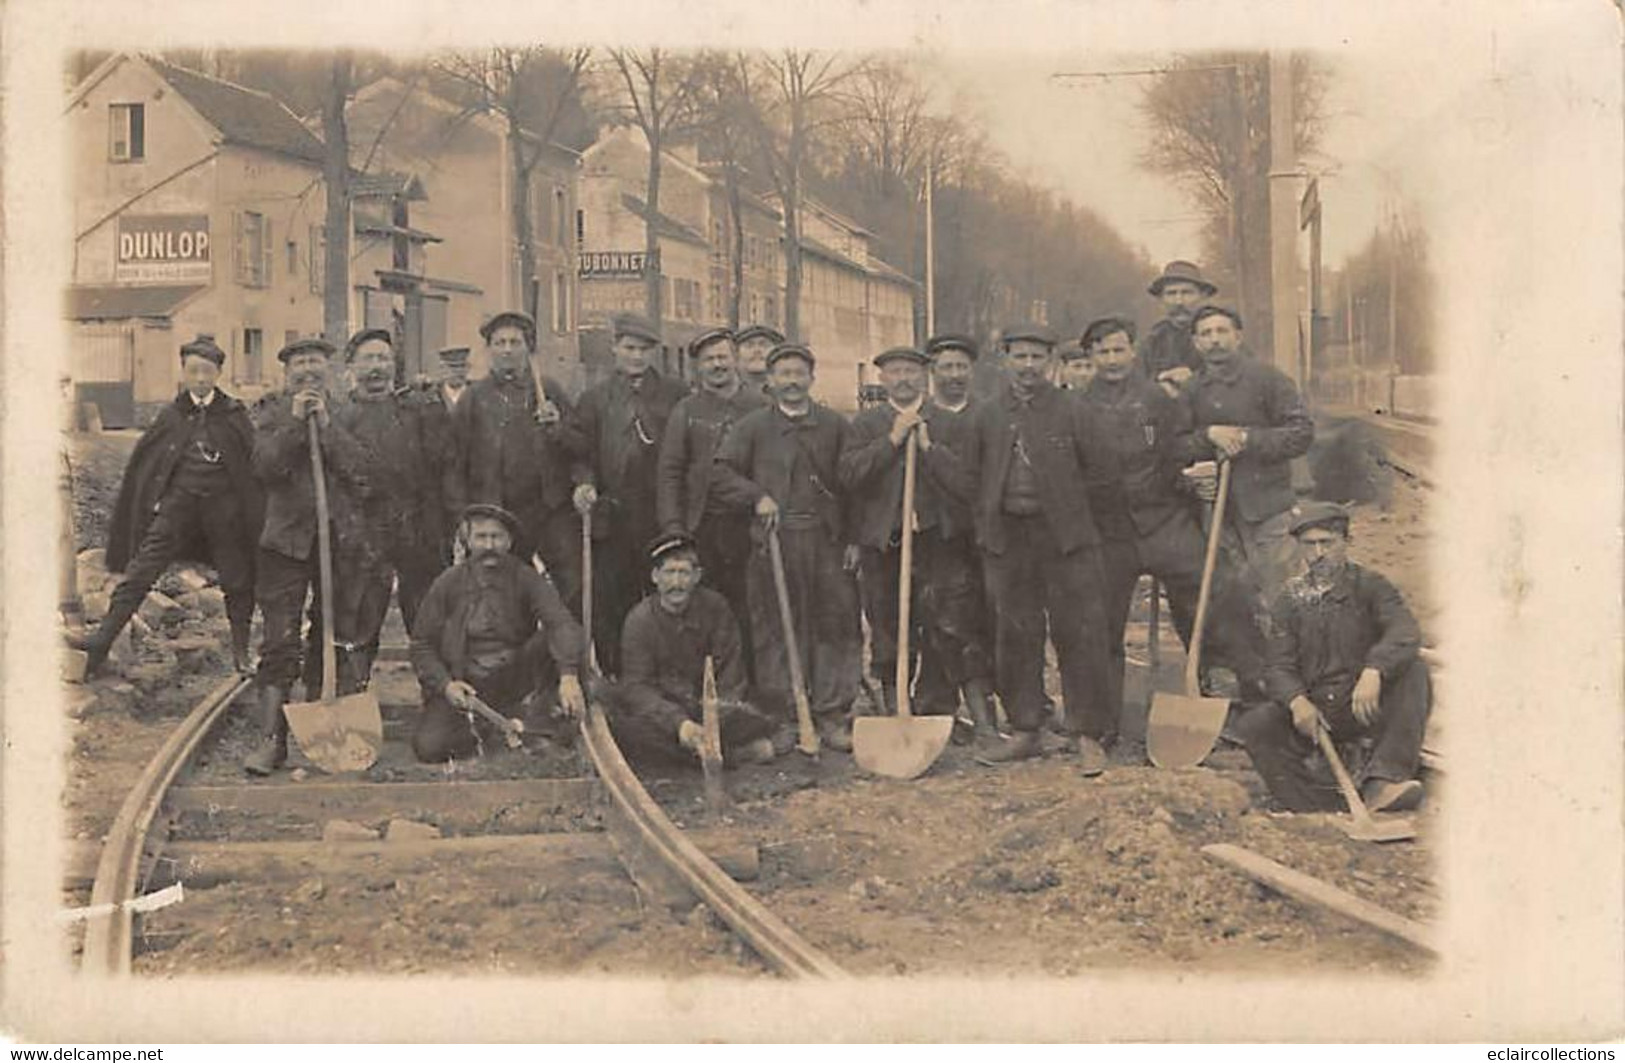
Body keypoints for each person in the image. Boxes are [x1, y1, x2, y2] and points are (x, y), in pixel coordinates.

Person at [1079, 315, 1264, 726]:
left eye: (1119, 350)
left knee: (1217, 589)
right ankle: (1101, 723)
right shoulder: (1078, 406)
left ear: (1132, 351)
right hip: (1110, 532)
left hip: (1164, 521)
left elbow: (1182, 444)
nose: (1112, 360)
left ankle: (1250, 691)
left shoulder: (1158, 400)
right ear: (1090, 356)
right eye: (1103, 352)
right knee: (1099, 618)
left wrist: (1207, 444)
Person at [961, 322, 1115, 774]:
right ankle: (1027, 729)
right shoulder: (987, 414)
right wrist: (988, 525)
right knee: (1015, 635)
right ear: (1005, 360)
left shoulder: (1074, 411)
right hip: (1008, 540)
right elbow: (970, 479)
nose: (1028, 366)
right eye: (1019, 357)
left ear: (1050, 362)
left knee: (1080, 632)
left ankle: (1087, 733)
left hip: (1066, 540)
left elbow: (1104, 477)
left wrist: (1077, 523)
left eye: (1036, 358)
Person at [72, 335, 262, 678]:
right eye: (194, 371)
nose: (201, 379)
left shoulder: (234, 414)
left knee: (237, 580)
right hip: (177, 511)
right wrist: (156, 500)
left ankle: (240, 651)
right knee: (140, 572)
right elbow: (148, 464)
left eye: (207, 371)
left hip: (225, 514)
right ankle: (100, 641)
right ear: (184, 373)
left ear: (218, 373)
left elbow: (251, 464)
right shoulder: (172, 414)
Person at [712, 342, 862, 753]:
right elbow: (720, 474)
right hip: (772, 543)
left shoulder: (834, 426)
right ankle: (785, 716)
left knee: (834, 625)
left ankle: (831, 714)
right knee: (775, 628)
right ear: (771, 381)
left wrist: (852, 539)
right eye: (784, 374)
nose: (792, 382)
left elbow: (853, 485)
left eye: (799, 374)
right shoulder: (753, 427)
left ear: (811, 379)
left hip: (826, 542)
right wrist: (755, 496)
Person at [1234, 502, 1430, 813]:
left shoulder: (1371, 586)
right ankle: (1313, 806)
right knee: (1257, 724)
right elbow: (1278, 665)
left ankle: (1383, 782)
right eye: (1309, 545)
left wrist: (1374, 671)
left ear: (1345, 543)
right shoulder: (1289, 599)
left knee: (1414, 670)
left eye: (1327, 543)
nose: (1318, 553)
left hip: (1365, 705)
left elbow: (1404, 632)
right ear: (1299, 549)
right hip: (1317, 714)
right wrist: (1297, 701)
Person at [243, 337, 378, 776]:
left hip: (339, 541)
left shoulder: (350, 411)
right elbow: (264, 468)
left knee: (333, 632)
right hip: (285, 543)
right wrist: (299, 424)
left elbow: (362, 470)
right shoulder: (269, 411)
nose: (308, 371)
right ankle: (272, 740)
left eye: (316, 362)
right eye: (299, 363)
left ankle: (328, 733)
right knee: (280, 639)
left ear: (330, 369)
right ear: (287, 372)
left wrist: (326, 426)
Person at [838, 346, 976, 728]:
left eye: (911, 372)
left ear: (924, 376)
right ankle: (892, 705)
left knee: (940, 623)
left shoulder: (944, 422)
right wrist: (892, 440)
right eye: (894, 372)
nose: (903, 379)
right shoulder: (866, 425)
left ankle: (934, 708)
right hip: (884, 543)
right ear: (882, 379)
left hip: (936, 540)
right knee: (886, 625)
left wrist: (929, 447)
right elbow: (849, 475)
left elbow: (965, 480)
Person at [408, 504, 588, 763]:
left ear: (509, 542)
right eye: (481, 537)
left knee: (553, 640)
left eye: (497, 537)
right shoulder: (448, 583)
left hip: (512, 676)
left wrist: (569, 675)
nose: (489, 545)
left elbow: (561, 623)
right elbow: (421, 645)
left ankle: (531, 720)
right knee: (430, 747)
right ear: (467, 541)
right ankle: (491, 726)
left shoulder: (526, 578)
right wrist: (447, 686)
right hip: (466, 685)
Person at [328, 328, 458, 684]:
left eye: (383, 358)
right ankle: (354, 698)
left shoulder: (414, 409)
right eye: (368, 359)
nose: (377, 367)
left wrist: (435, 404)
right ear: (351, 367)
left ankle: (438, 698)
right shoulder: (339, 418)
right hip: (364, 536)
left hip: (416, 531)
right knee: (359, 620)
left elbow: (443, 457)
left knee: (427, 618)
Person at [573, 312, 689, 675]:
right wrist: (584, 482)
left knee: (663, 597)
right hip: (613, 517)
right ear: (615, 349)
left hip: (660, 517)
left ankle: (664, 677)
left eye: (643, 349)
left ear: (653, 352)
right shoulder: (595, 398)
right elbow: (581, 450)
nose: (636, 356)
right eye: (629, 348)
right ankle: (617, 678)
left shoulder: (676, 395)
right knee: (611, 604)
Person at [600, 533, 777, 766]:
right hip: (666, 715)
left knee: (763, 713)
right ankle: (734, 756)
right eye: (669, 573)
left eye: (683, 573)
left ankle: (710, 750)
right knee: (628, 731)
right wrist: (678, 723)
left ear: (697, 576)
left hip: (712, 709)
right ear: (655, 577)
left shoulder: (715, 607)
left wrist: (715, 716)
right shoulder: (639, 620)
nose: (676, 583)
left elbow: (731, 671)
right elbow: (637, 687)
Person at [1178, 305, 1315, 607]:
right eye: (1206, 333)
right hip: (1216, 515)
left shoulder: (1268, 379)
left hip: (1268, 508)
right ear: (1196, 343)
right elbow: (1175, 445)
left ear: (1238, 337)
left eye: (1222, 331)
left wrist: (1246, 439)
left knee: (1284, 596)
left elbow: (1301, 433)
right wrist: (1208, 435)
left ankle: (1291, 654)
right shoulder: (1191, 390)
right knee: (1234, 603)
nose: (1215, 339)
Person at [463, 310, 587, 612]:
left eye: (515, 342)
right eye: (500, 342)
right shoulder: (474, 397)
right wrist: (465, 516)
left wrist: (557, 428)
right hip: (501, 512)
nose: (507, 349)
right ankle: (518, 657)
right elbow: (455, 461)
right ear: (489, 349)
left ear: (527, 349)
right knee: (505, 594)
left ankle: (567, 654)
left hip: (550, 508)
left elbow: (582, 447)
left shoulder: (548, 391)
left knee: (573, 586)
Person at [656, 327, 764, 636]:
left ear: (735, 359)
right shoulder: (687, 410)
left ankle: (748, 679)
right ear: (698, 367)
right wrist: (673, 525)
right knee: (703, 604)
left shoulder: (759, 406)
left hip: (748, 523)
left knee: (749, 603)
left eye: (722, 357)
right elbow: (670, 471)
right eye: (708, 360)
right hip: (702, 523)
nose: (717, 365)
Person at [922, 332, 998, 740]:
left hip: (983, 536)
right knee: (942, 622)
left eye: (961, 367)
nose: (954, 375)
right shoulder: (920, 419)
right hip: (935, 539)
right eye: (945, 367)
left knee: (988, 620)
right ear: (932, 373)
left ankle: (1000, 710)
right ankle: (939, 710)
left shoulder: (988, 416)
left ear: (972, 371)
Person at [1138, 260, 1217, 396]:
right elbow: (1136, 384)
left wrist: (1193, 379)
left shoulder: (1219, 332)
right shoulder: (1153, 340)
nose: (1179, 302)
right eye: (1171, 294)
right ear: (1161, 299)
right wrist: (1160, 383)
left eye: (1187, 293)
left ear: (1202, 296)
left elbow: (1239, 377)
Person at [734, 324, 784, 398]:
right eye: (749, 345)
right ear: (735, 354)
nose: (757, 350)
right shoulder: (723, 396)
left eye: (765, 345)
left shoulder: (789, 396)